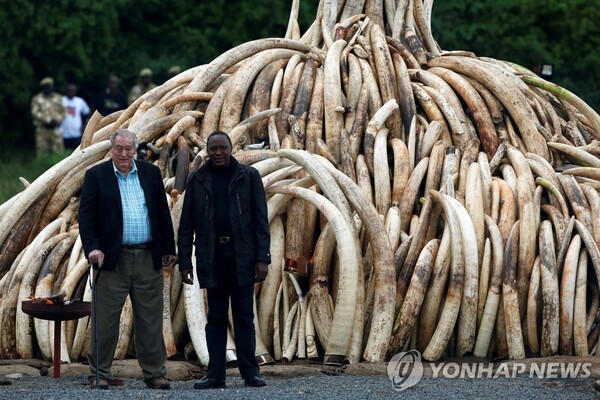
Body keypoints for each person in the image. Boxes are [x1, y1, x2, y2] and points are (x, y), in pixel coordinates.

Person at [78, 129, 176, 390]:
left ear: (135, 150)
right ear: (111, 149)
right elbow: (86, 219)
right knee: (106, 319)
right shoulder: (96, 176)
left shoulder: (150, 173)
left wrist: (168, 247)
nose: (123, 154)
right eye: (118, 148)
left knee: (150, 319)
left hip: (147, 256)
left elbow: (161, 214)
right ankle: (99, 373)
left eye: (128, 149)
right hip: (111, 259)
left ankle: (155, 373)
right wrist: (93, 249)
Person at [178, 130, 271, 389]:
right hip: (212, 258)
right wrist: (185, 262)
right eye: (213, 149)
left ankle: (250, 373)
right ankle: (216, 374)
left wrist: (263, 258)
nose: (218, 153)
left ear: (232, 149)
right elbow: (186, 225)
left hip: (242, 256)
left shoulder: (248, 177)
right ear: (207, 151)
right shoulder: (198, 179)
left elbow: (261, 220)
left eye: (223, 148)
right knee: (216, 318)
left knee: (244, 317)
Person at [31, 77, 67, 157]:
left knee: (59, 154)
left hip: (56, 129)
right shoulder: (37, 99)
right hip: (42, 130)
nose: (47, 89)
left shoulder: (59, 98)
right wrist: (48, 120)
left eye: (49, 86)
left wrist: (58, 120)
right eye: (45, 87)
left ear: (52, 87)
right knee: (42, 153)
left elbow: (64, 111)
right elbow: (35, 112)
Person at [61, 83, 90, 150]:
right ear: (66, 91)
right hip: (63, 133)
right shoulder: (61, 100)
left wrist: (85, 126)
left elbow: (87, 114)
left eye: (73, 91)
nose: (71, 92)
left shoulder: (79, 101)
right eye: (70, 90)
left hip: (77, 133)